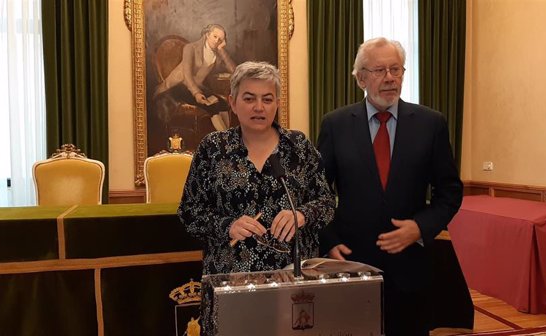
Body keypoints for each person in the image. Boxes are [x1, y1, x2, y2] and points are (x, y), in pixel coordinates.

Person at [316, 37, 469, 335]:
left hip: (412, 267)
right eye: (379, 70)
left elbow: (450, 191)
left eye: (396, 69)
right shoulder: (335, 124)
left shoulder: (431, 123)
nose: (389, 78)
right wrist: (329, 240)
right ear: (361, 78)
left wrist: (420, 228)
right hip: (352, 261)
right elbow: (318, 191)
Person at [178, 61, 335, 334]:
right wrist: (227, 224)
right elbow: (189, 212)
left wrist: (302, 215)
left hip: (292, 283)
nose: (259, 107)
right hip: (231, 281)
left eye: (267, 99)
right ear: (233, 102)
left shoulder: (298, 146)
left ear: (277, 103)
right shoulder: (213, 148)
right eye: (249, 99)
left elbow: (326, 202)